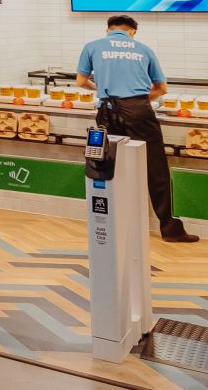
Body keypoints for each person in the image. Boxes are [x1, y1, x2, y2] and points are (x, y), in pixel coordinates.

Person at [76, 14, 198, 242]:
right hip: (139, 111)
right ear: (133, 31)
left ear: (108, 30)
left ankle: (113, 222)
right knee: (155, 167)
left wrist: (101, 90)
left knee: (109, 166)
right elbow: (162, 88)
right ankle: (169, 228)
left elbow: (80, 82)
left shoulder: (92, 47)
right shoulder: (143, 49)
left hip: (106, 110)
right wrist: (140, 100)